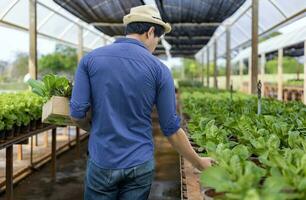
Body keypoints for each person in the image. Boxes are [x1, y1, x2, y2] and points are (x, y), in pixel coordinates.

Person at [70, 5, 213, 200]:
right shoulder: (160, 70)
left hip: (102, 160)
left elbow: (77, 113)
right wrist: (198, 162)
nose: (155, 44)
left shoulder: (90, 60)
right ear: (151, 31)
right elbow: (171, 128)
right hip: (140, 163)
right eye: (157, 39)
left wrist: (98, 129)